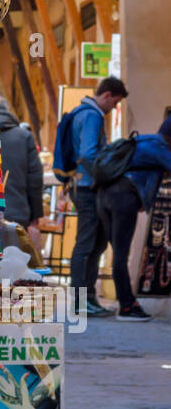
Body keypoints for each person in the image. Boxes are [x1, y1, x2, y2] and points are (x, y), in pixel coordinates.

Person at [97, 115, 171, 321]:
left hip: (104, 195)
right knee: (121, 254)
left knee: (116, 253)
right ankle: (127, 307)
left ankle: (126, 302)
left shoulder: (143, 141)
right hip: (123, 197)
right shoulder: (160, 148)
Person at [68, 75, 128, 317]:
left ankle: (87, 298)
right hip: (88, 187)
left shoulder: (80, 112)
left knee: (95, 243)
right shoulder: (92, 115)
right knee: (87, 244)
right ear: (107, 95)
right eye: (114, 104)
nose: (112, 109)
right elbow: (88, 154)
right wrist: (107, 176)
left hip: (82, 185)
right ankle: (82, 300)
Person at [0, 96, 44, 230]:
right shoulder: (24, 137)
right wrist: (35, 214)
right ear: (7, 110)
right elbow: (35, 179)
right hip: (17, 213)